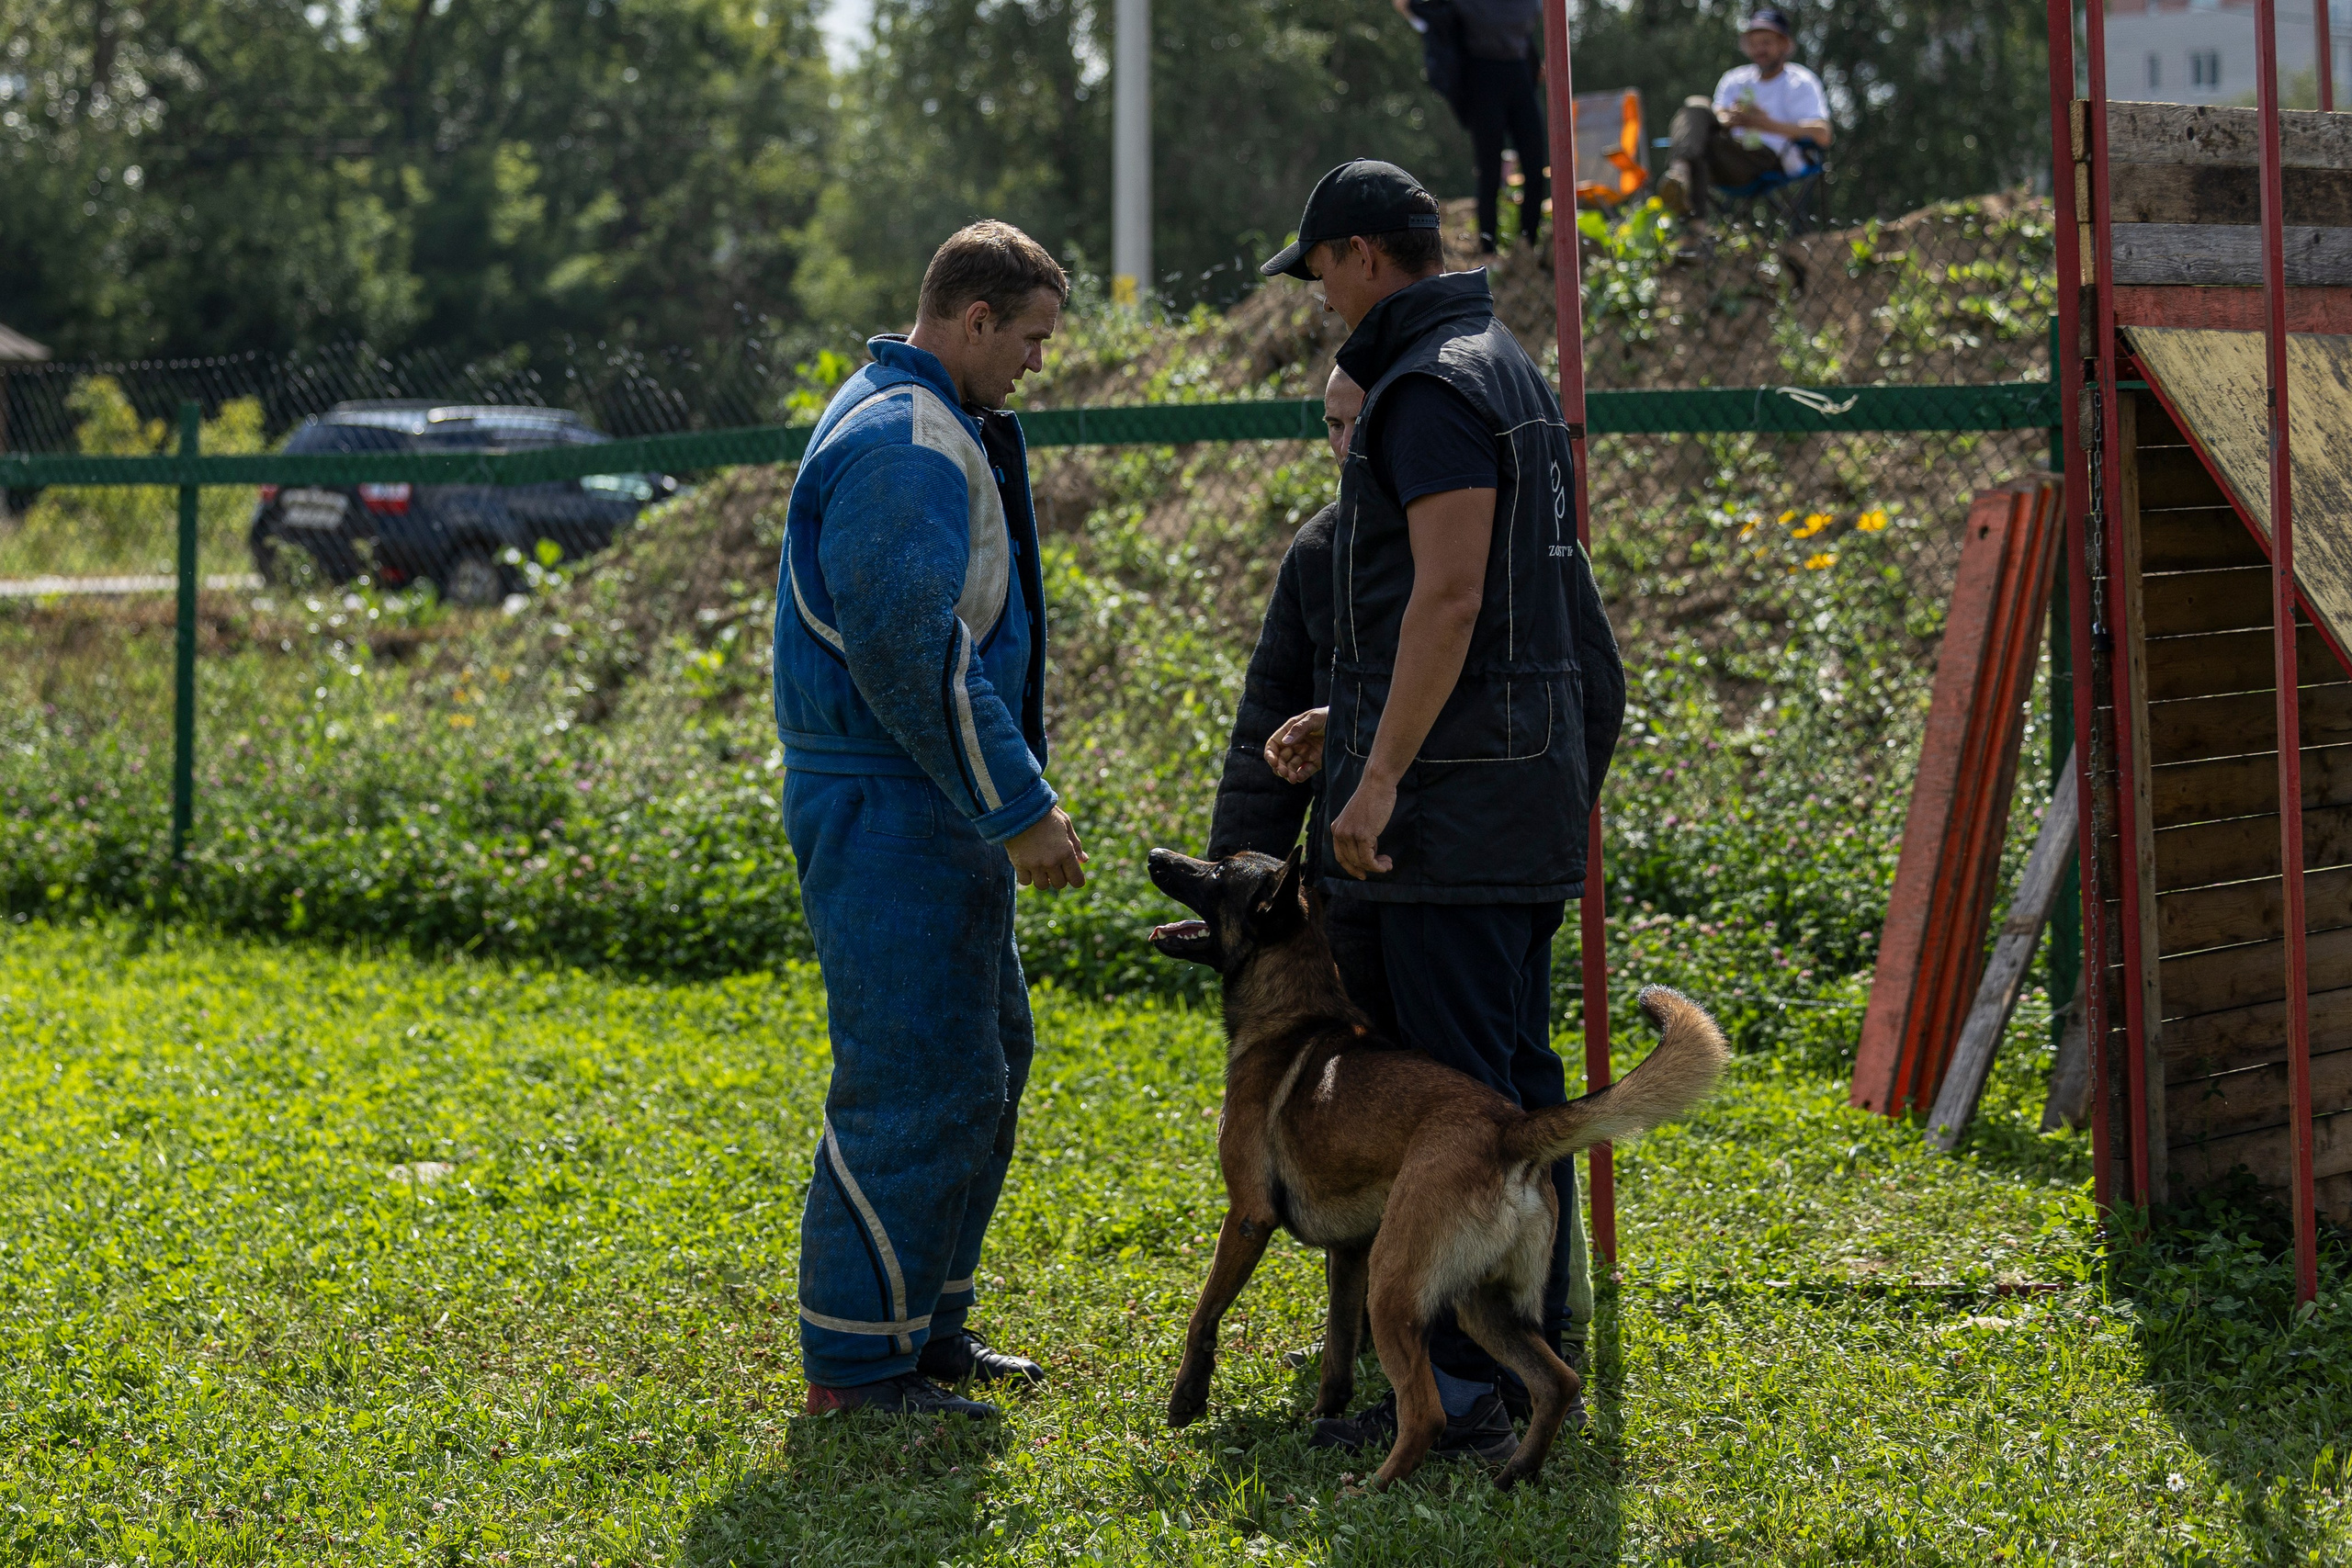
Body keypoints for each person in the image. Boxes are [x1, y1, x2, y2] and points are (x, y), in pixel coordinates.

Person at [1256, 159, 1625, 1461]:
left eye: (1316, 272)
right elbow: (1521, 621)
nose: (1315, 299)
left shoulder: (1428, 385)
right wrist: (1348, 727)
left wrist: (1378, 776)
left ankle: (1459, 1392)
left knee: (1459, 1107)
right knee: (1515, 1086)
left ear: (1361, 255)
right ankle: (1532, 1346)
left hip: (1452, 820)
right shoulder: (1506, 363)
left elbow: (1453, 598)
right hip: (1512, 794)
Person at [772, 220, 1088, 1419]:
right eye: (1031, 339)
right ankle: (858, 1368)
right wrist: (1020, 806)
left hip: (920, 791)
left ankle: (926, 1327)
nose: (1037, 363)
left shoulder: (923, 419)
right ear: (972, 321)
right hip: (890, 797)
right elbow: (910, 650)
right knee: (913, 1073)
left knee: (983, 1057)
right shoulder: (905, 443)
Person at [1393, 0, 1549, 254]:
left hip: (1519, 73)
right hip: (1483, 76)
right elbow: (1428, 15)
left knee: (1535, 163)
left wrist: (1531, 61)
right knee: (1489, 169)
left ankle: (1528, 244)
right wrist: (1409, 7)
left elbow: (1525, 33)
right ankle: (1489, 247)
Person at [1657, 6, 1832, 225]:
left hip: (1767, 159)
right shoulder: (1735, 79)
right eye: (1754, 43)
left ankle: (1693, 231)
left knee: (1699, 146)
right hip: (1728, 150)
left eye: (1766, 42)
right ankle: (1680, 175)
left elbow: (1823, 134)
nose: (1760, 49)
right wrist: (1729, 119)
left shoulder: (1800, 82)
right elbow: (1716, 112)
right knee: (1696, 106)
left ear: (1784, 44)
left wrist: (1764, 124)